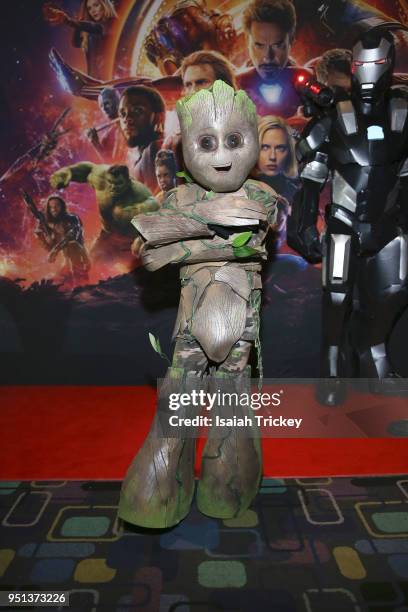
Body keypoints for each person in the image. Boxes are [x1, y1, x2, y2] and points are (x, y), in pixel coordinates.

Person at [118, 80, 279, 529]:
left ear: (253, 138)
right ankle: (156, 496)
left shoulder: (262, 196)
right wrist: (207, 226)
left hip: (240, 329)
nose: (222, 156)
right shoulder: (179, 196)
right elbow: (145, 253)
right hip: (190, 327)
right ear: (185, 146)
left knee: (232, 406)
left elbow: (251, 243)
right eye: (206, 142)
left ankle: (224, 491)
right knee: (176, 410)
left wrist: (179, 237)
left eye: (234, 140)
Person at [287, 29, 408, 405]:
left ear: (387, 67)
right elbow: (311, 177)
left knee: (392, 292)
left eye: (375, 65)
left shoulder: (403, 113)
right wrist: (303, 223)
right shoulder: (334, 116)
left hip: (391, 223)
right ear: (353, 68)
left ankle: (374, 356)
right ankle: (333, 366)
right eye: (361, 65)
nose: (368, 73)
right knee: (337, 296)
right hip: (344, 219)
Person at [50, 163, 159, 266]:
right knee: (90, 268)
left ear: (128, 182)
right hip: (107, 237)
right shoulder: (101, 178)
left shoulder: (141, 194)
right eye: (110, 182)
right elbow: (88, 170)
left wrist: (143, 239)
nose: (113, 187)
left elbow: (157, 213)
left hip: (130, 243)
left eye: (118, 184)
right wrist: (68, 171)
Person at [237, 0, 309, 118]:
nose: (268, 57)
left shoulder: (309, 84)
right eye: (259, 45)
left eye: (277, 45)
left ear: (291, 40)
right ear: (247, 42)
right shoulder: (233, 87)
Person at [43, 0, 117, 80]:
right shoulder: (90, 31)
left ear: (104, 4)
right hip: (95, 80)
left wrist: (68, 21)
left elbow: (97, 28)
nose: (93, 10)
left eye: (96, 5)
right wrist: (77, 23)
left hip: (110, 77)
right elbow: (76, 43)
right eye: (89, 8)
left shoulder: (111, 24)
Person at [117, 86, 165, 193]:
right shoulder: (146, 153)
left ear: (158, 117)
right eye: (122, 114)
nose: (127, 119)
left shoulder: (154, 150)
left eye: (137, 110)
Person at [35, 195, 90, 286]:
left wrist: (55, 250)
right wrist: (42, 237)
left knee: (72, 245)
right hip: (66, 259)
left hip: (80, 254)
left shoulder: (72, 219)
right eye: (51, 207)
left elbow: (73, 237)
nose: (54, 209)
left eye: (57, 206)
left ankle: (82, 285)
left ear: (62, 207)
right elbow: (49, 248)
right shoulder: (50, 224)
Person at [87, 87, 121, 162]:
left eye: (107, 103)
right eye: (101, 106)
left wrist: (96, 144)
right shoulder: (110, 133)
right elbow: (110, 163)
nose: (104, 109)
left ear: (117, 101)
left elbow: (116, 164)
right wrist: (96, 143)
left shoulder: (128, 124)